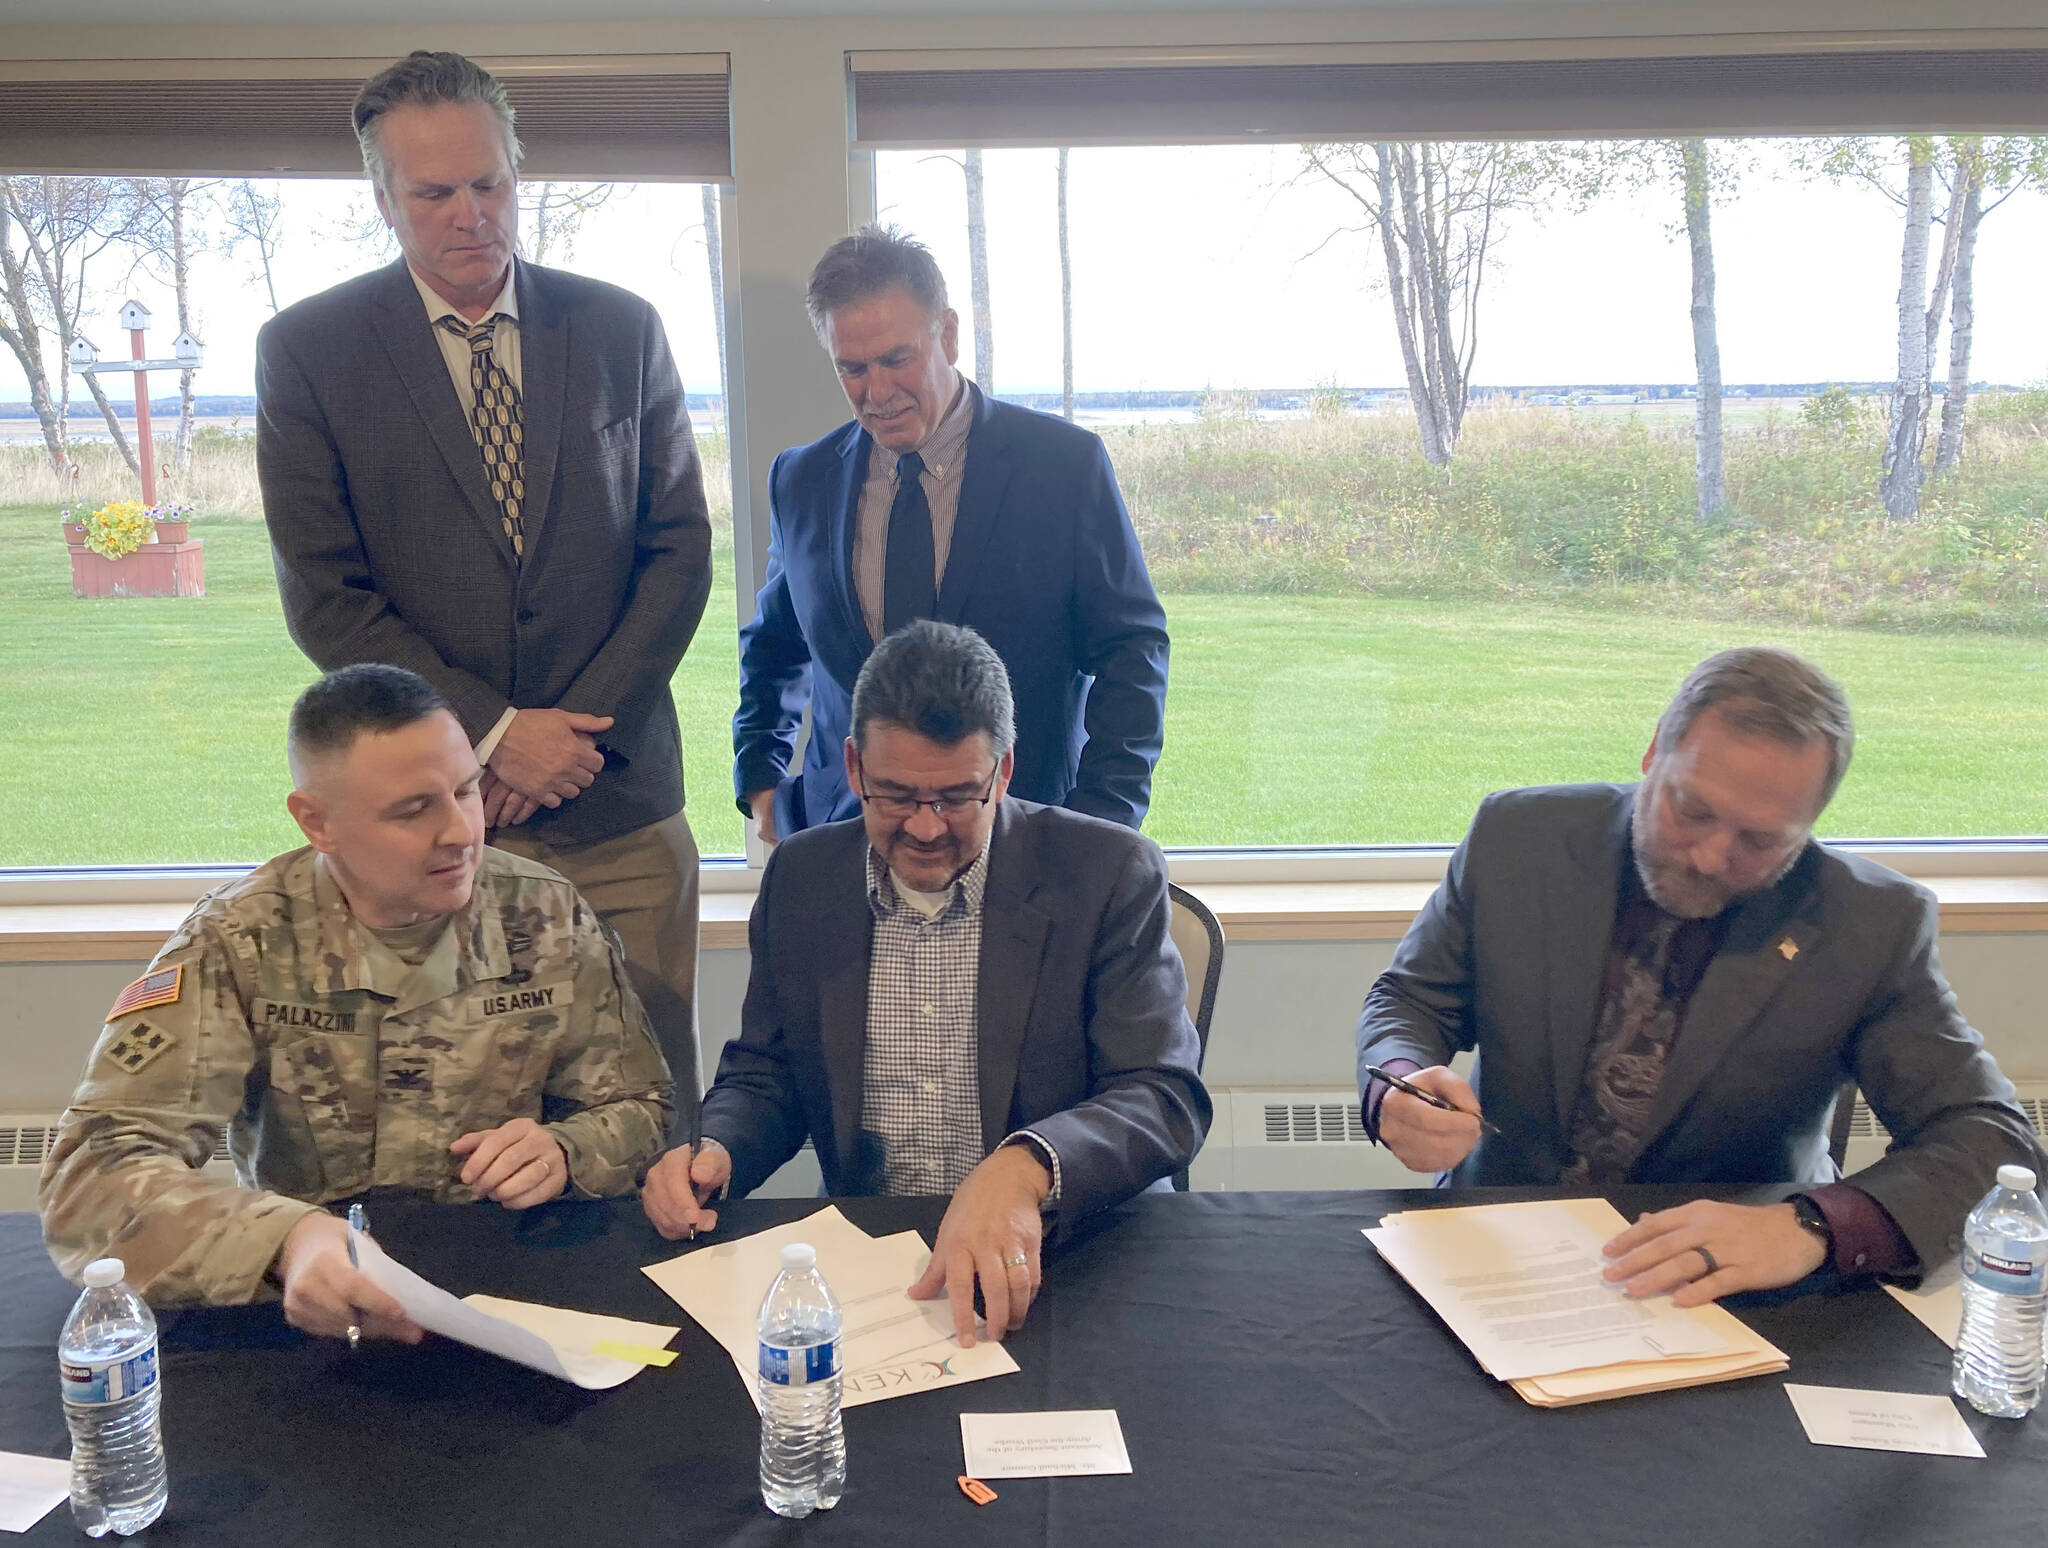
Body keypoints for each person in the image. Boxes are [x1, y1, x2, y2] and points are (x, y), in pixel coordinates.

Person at [256, 50, 713, 1120]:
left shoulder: (619, 328)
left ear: (518, 169)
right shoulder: (309, 351)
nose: (472, 215)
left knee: (648, 1109)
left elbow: (678, 550)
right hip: (428, 824)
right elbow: (327, 597)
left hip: (622, 808)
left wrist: (569, 740)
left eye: (491, 183)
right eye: (434, 193)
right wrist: (498, 735)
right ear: (382, 198)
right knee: (457, 1121)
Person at [1357, 647, 2039, 1306]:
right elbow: (1413, 998)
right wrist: (1399, 1081)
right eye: (1692, 810)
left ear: (1811, 825)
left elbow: (1987, 1135)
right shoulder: (1520, 836)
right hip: (1501, 1239)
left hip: (1728, 1285)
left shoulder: (1870, 924)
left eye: (1762, 840)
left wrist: (1810, 1227)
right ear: (1654, 751)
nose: (1712, 857)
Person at [39, 665, 675, 1335]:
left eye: (465, 792)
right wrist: (288, 1241)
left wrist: (565, 1150)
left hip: (511, 1288)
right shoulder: (241, 940)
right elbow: (91, 1177)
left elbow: (642, 1107)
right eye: (412, 810)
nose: (459, 833)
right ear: (318, 823)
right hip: (312, 1299)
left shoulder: (546, 913)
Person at [647, 621, 1209, 1344]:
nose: (924, 827)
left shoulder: (1105, 873)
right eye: (894, 796)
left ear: (1002, 773)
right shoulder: (805, 879)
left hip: (1072, 1255)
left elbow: (1163, 1096)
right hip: (878, 1263)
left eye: (955, 798)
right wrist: (718, 1147)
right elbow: (770, 1073)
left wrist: (1027, 1165)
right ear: (853, 768)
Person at [733, 224, 1169, 845]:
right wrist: (761, 782)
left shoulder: (1063, 467)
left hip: (1025, 837)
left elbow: (1135, 651)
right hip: (845, 837)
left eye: (896, 359)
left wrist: (1101, 821)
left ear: (949, 335)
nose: (876, 392)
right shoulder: (801, 479)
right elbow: (774, 645)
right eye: (851, 368)